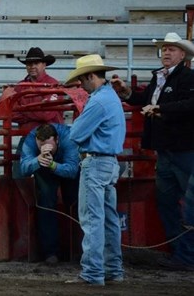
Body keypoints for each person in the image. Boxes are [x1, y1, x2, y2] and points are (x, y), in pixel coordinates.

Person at [111, 32, 194, 271]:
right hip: (170, 149)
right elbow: (142, 99)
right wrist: (126, 92)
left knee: (182, 204)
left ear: (182, 54)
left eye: (171, 49)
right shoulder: (163, 78)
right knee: (169, 202)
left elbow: (189, 105)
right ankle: (183, 254)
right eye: (165, 49)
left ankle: (185, 254)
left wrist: (161, 109)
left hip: (182, 149)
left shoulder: (188, 77)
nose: (166, 52)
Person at [65, 54, 126, 285]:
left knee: (92, 219)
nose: (81, 84)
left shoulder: (99, 101)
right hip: (109, 163)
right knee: (109, 219)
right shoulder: (110, 97)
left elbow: (76, 133)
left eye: (82, 79)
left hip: (96, 162)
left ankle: (92, 273)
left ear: (91, 76)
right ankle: (113, 270)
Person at [19, 123, 80, 265]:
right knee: (45, 204)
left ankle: (76, 248)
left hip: (63, 168)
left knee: (74, 202)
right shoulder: (31, 139)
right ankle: (50, 252)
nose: (45, 149)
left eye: (48, 146)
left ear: (57, 140)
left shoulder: (69, 138)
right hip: (43, 168)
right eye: (40, 146)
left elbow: (72, 170)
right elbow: (23, 168)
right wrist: (38, 160)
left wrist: (53, 165)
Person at [12, 47, 64, 180]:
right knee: (18, 175)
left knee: (42, 177)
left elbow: (45, 114)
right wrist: (38, 108)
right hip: (36, 137)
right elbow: (13, 113)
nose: (32, 66)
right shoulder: (22, 86)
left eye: (36, 63)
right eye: (29, 64)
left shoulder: (53, 85)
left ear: (44, 64)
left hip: (47, 138)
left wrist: (24, 109)